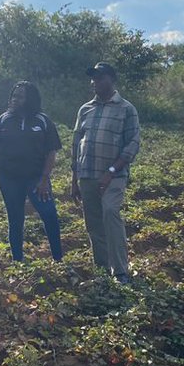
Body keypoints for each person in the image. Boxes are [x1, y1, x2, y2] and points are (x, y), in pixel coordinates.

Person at [70, 62, 141, 283]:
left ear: (111, 79)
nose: (94, 82)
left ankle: (120, 271)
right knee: (93, 223)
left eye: (99, 78)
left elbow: (133, 143)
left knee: (110, 213)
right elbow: (76, 143)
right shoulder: (85, 109)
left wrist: (111, 171)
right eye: (93, 78)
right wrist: (74, 179)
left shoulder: (126, 109)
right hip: (87, 174)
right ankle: (102, 269)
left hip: (114, 176)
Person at [0, 81, 64, 262]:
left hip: (36, 178)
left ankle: (58, 260)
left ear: (30, 99)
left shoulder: (43, 121)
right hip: (8, 178)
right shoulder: (3, 120)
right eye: (13, 95)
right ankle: (17, 261)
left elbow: (51, 152)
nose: (14, 99)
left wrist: (44, 179)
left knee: (49, 214)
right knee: (15, 218)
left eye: (20, 96)